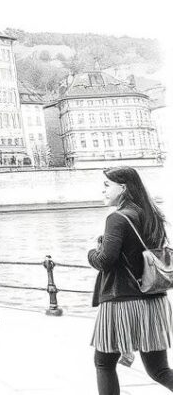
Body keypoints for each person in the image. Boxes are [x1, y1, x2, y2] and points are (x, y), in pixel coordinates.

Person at [88, 166, 173, 394]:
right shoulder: (151, 214)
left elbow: (105, 260)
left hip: (122, 302)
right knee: (159, 370)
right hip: (154, 301)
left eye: (107, 185)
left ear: (122, 187)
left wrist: (91, 252)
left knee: (104, 363)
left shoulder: (117, 218)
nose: (102, 191)